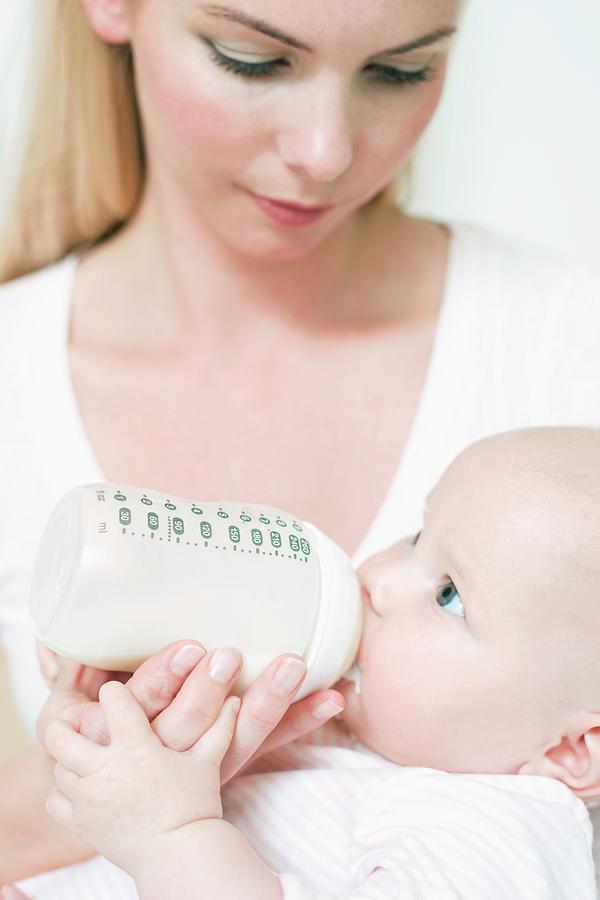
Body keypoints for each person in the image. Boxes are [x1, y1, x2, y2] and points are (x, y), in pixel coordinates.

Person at [0, 0, 599, 893]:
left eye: (400, 70)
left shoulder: (567, 344)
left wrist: (176, 826)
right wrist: (101, 778)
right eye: (250, 58)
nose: (326, 152)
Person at [14, 426, 600, 899]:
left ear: (569, 751)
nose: (381, 580)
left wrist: (172, 836)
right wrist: (129, 709)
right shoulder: (343, 731)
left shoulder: (491, 834)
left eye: (450, 595)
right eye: (418, 536)